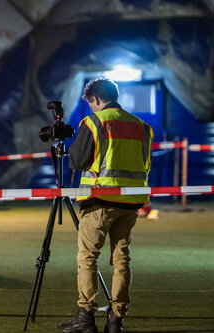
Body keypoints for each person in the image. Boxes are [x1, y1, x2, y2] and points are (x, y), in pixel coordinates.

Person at [58, 77, 152, 333]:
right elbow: (145, 163)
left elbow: (77, 161)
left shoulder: (94, 122)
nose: (90, 108)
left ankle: (85, 317)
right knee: (122, 260)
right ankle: (116, 319)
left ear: (97, 99)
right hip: (130, 202)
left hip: (100, 200)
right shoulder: (141, 126)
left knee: (88, 258)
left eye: (90, 103)